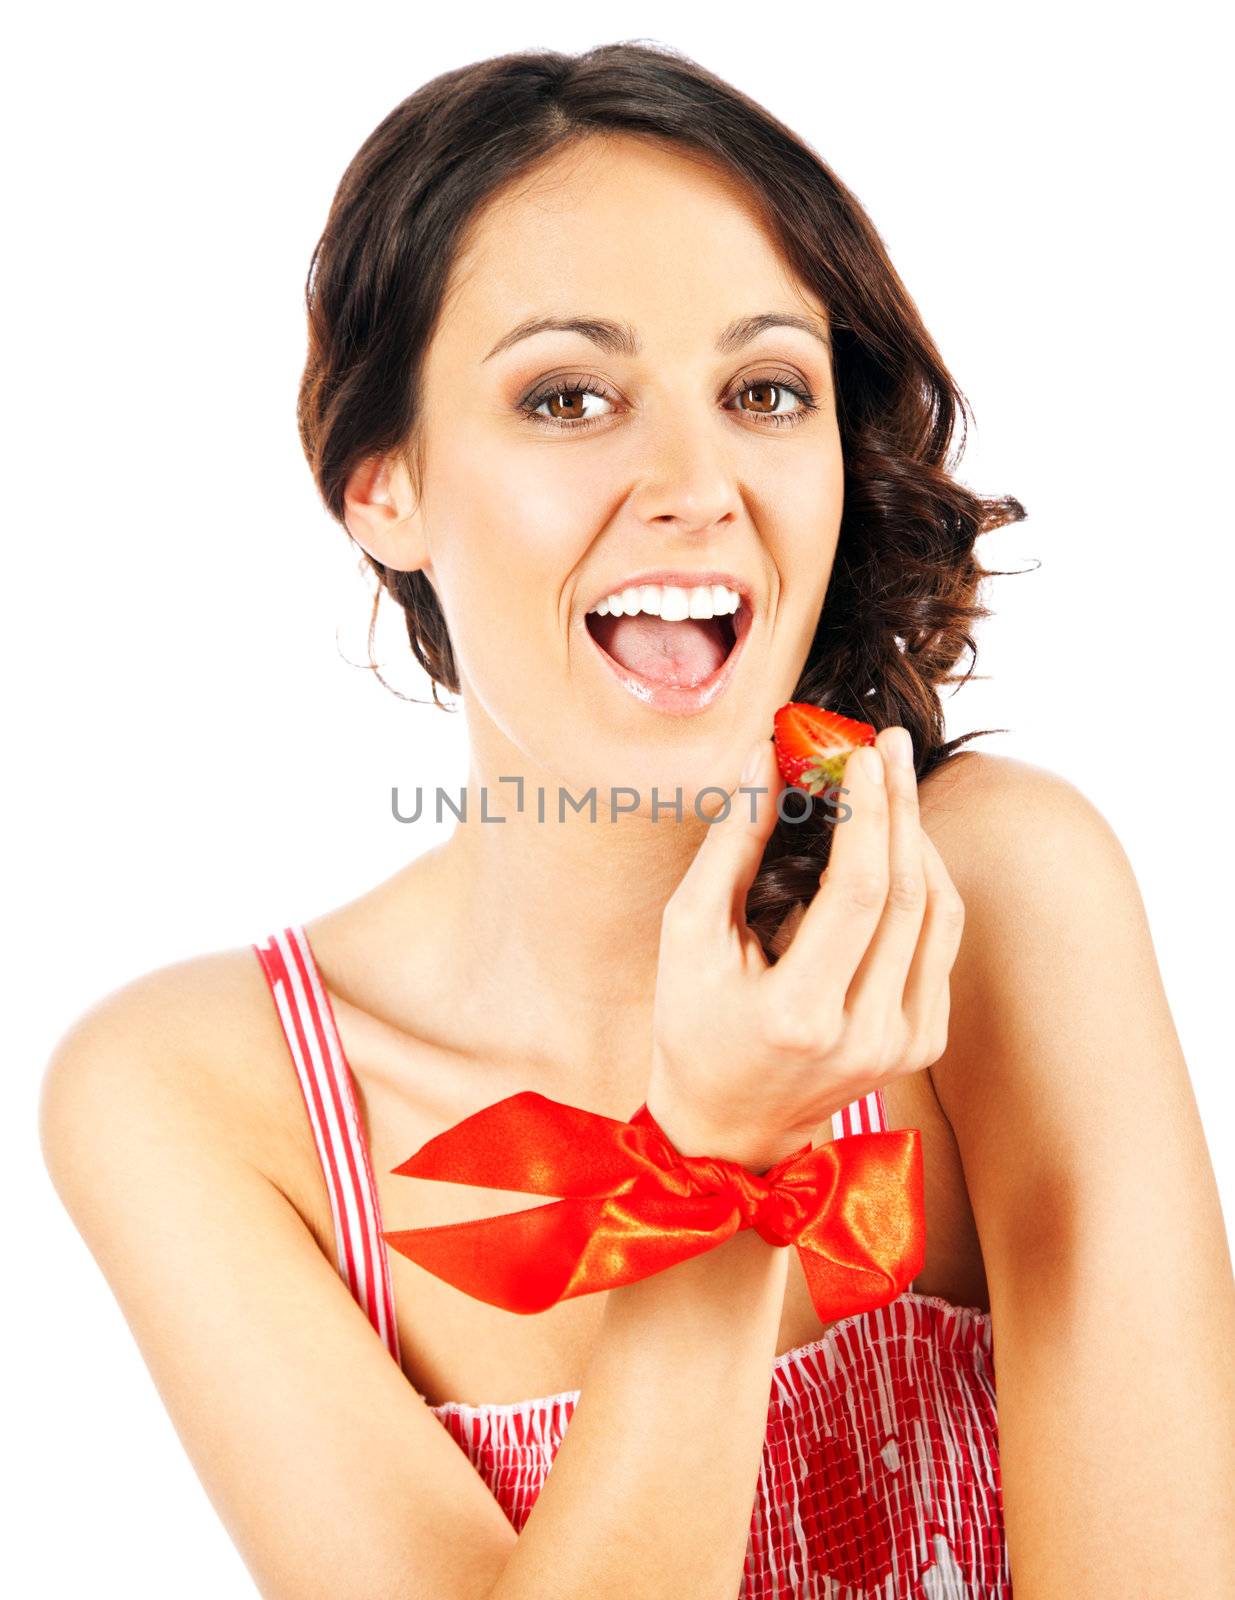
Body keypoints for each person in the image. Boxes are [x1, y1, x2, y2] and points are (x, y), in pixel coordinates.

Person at [39, 40, 1235, 1600]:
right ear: (380, 485)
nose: (698, 481)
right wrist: (716, 1162)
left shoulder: (1004, 897)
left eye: (762, 391)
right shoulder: (192, 1097)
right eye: (569, 396)